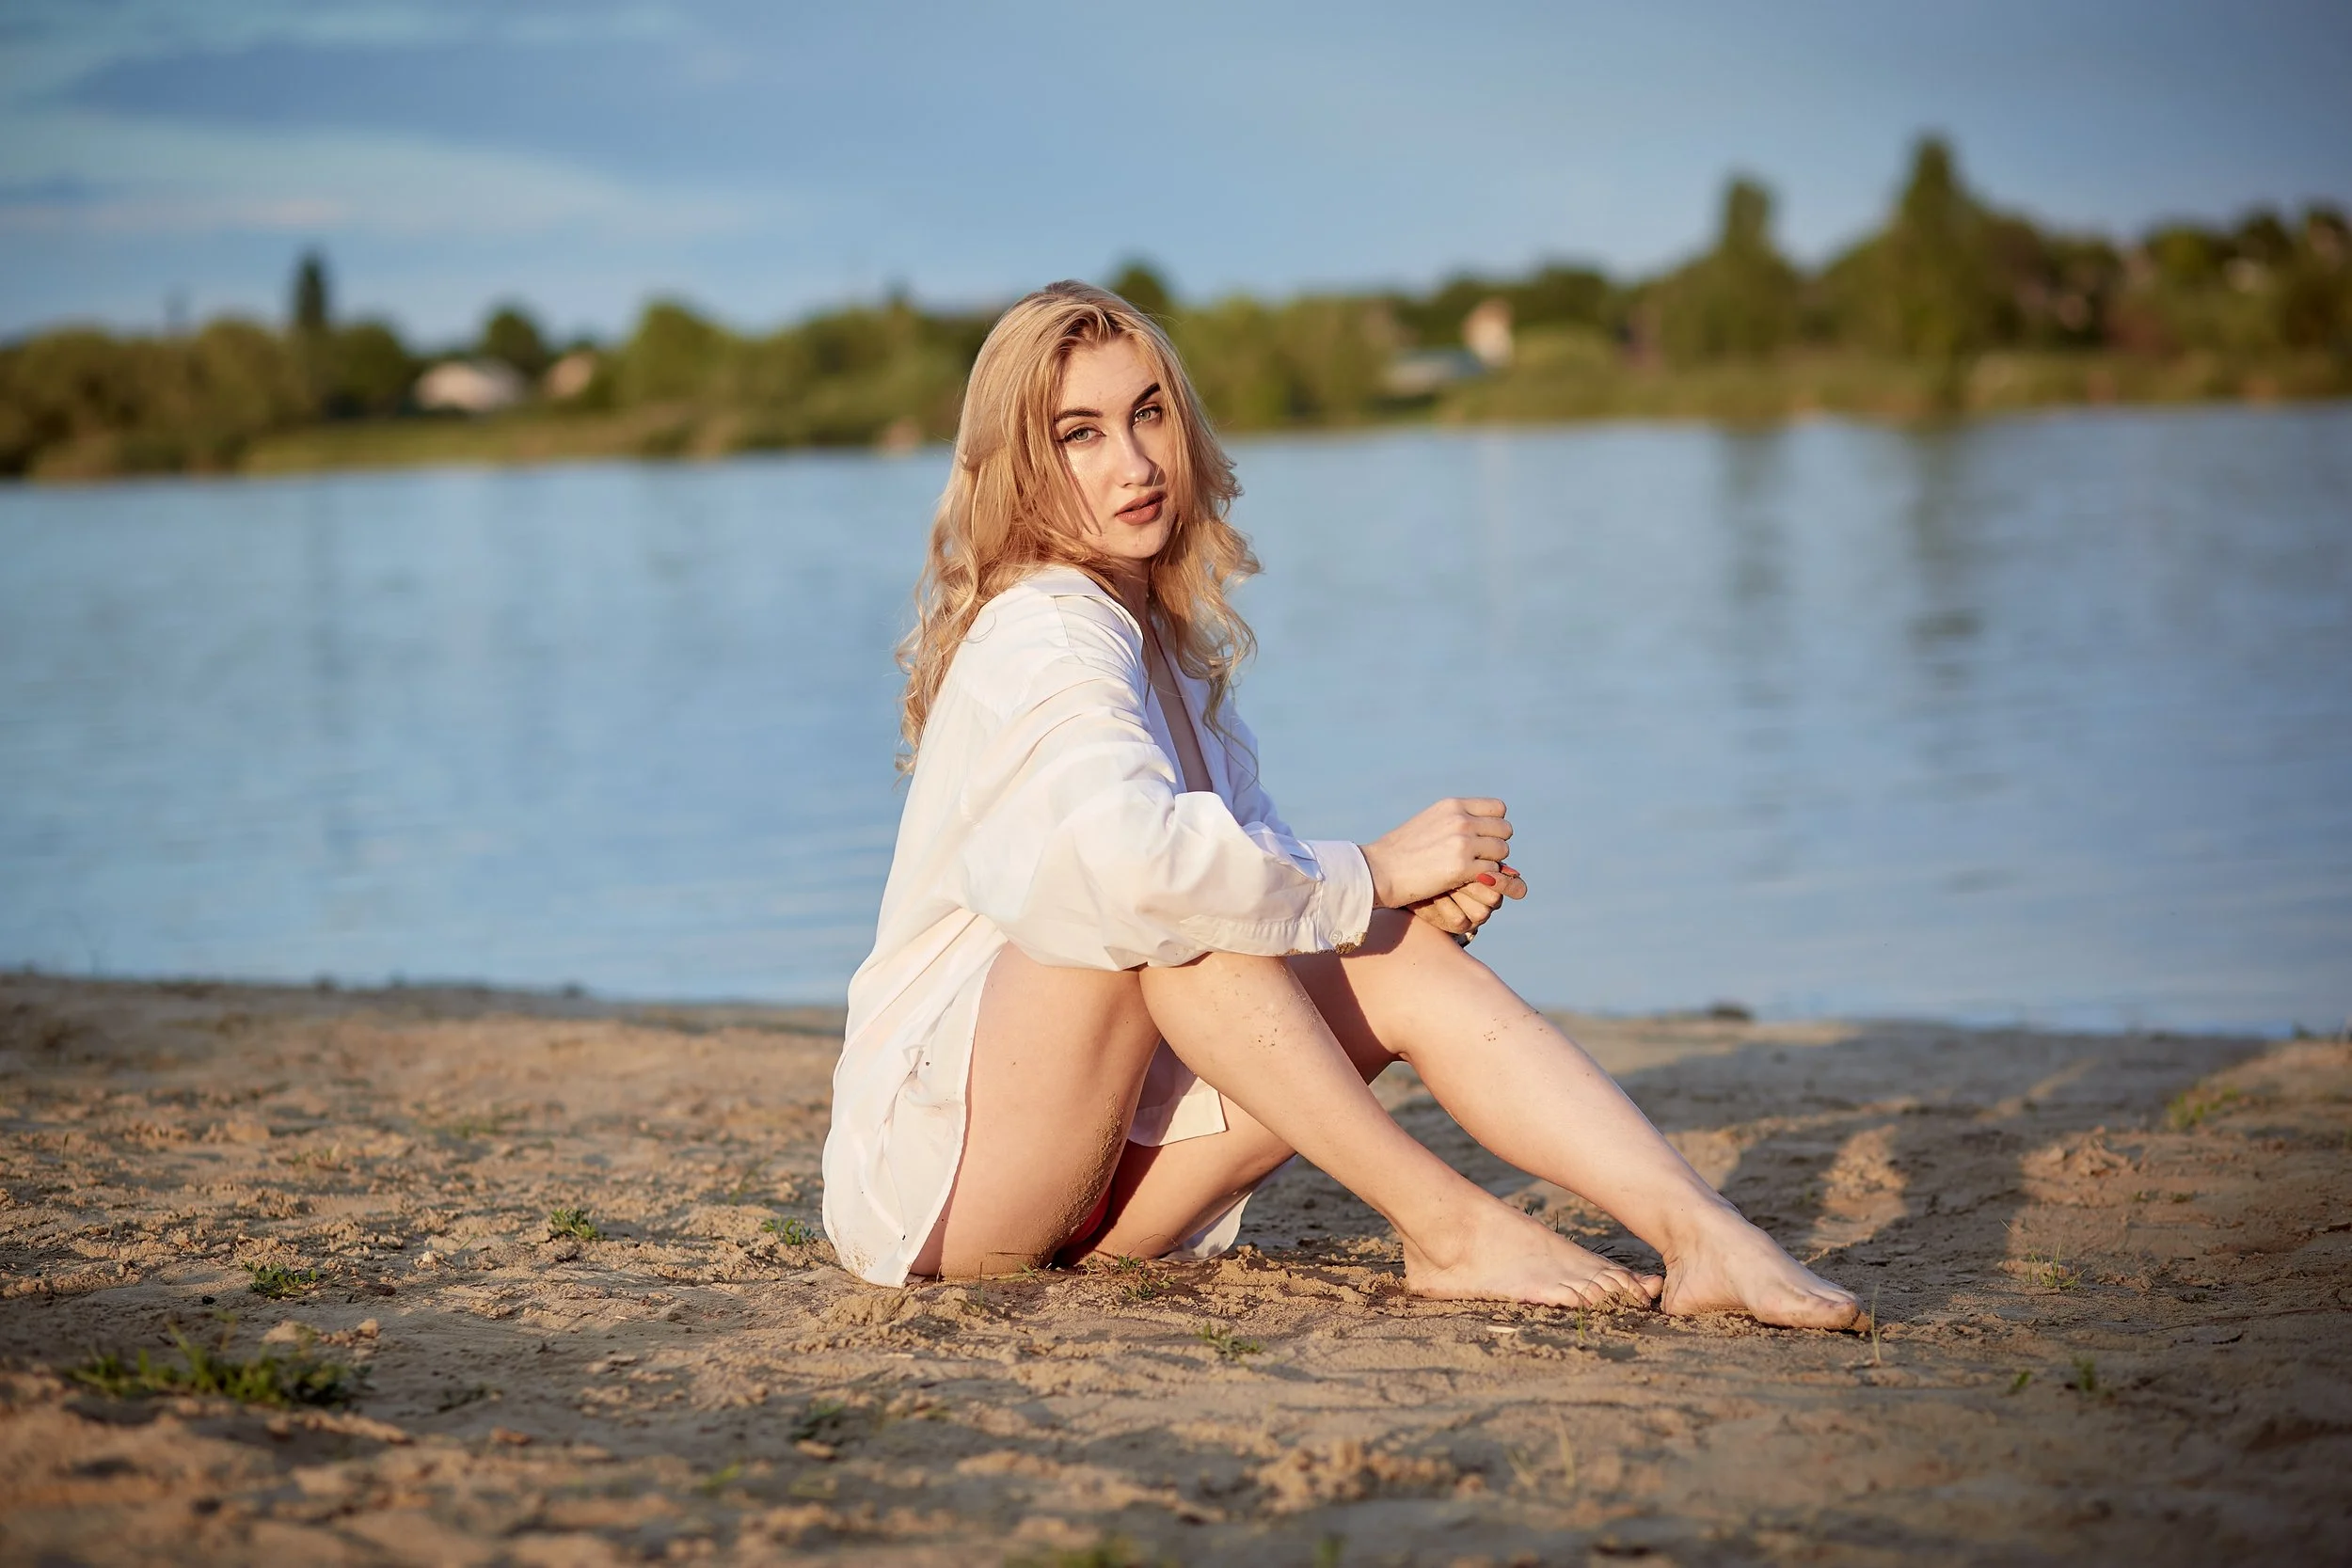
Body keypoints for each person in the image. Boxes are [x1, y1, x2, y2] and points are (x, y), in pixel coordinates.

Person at [820, 281, 1859, 1327]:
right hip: (947, 1195)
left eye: (1147, 413)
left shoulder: (1159, 645)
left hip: (1108, 1186)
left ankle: (1705, 1234)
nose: (1133, 463)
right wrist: (1375, 867)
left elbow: (1236, 876)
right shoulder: (1045, 627)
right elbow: (1141, 871)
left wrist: (1376, 907)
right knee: (1189, 919)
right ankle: (1449, 1226)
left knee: (1384, 946)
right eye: (1078, 434)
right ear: (1021, 469)